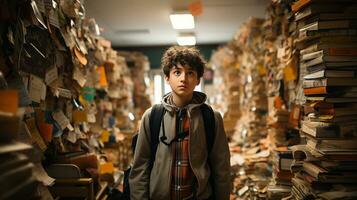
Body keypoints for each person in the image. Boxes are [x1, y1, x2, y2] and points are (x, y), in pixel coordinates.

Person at [129, 46, 231, 200]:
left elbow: (221, 168)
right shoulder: (152, 116)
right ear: (167, 78)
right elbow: (139, 168)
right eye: (177, 72)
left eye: (190, 73)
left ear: (197, 80)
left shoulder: (211, 118)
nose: (183, 78)